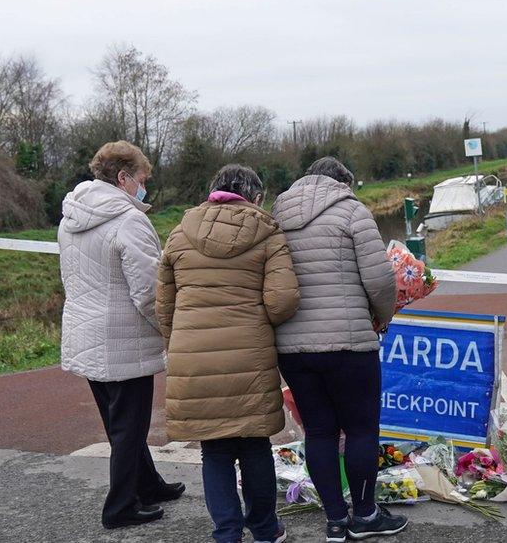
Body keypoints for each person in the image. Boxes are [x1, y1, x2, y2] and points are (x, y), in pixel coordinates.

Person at [156, 164, 300, 543]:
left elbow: (164, 307)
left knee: (214, 451)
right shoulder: (268, 232)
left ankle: (227, 533)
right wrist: (256, 320)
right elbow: (282, 301)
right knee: (254, 446)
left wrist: (181, 343)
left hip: (193, 357)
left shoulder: (178, 234)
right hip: (248, 356)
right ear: (255, 197)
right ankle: (266, 529)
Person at [271, 157, 402, 543]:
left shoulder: (277, 214)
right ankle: (365, 514)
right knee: (361, 429)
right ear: (342, 182)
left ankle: (334, 521)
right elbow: (379, 280)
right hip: (349, 343)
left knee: (320, 432)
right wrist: (382, 317)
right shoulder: (352, 211)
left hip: (293, 348)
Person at [57, 140, 184, 530]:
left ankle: (148, 484)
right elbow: (149, 292)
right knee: (130, 426)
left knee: (120, 425)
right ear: (124, 177)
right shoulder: (129, 221)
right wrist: (171, 329)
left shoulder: (70, 217)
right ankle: (120, 507)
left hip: (85, 332)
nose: (145, 187)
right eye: (142, 179)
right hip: (122, 337)